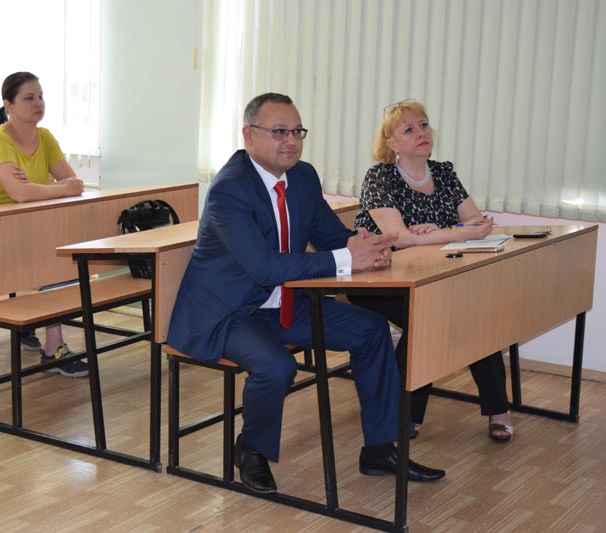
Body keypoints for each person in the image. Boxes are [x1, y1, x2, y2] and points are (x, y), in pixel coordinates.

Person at [167, 93, 445, 494]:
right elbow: (263, 267)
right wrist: (346, 258)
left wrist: (367, 246)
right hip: (228, 312)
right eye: (279, 132)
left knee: (371, 330)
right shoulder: (229, 190)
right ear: (248, 135)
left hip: (283, 303)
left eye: (297, 132)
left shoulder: (303, 177)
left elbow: (330, 236)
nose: (291, 141)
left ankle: (381, 448)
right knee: (277, 366)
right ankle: (251, 450)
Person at [352, 99, 513, 442]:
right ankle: (403, 414)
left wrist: (439, 231)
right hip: (380, 277)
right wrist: (451, 233)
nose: (421, 133)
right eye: (409, 129)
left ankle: (498, 408)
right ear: (391, 142)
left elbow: (476, 222)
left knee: (474, 311)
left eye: (423, 125)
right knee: (428, 316)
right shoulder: (380, 177)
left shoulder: (443, 172)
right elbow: (399, 238)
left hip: (435, 275)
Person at [0, 71, 87, 377]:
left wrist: (41, 189)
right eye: (29, 98)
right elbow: (20, 194)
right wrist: (52, 189)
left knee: (64, 253)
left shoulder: (44, 137)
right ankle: (53, 349)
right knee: (56, 259)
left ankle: (48, 338)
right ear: (8, 105)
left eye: (41, 97)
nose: (39, 104)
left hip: (27, 225)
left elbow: (74, 183)